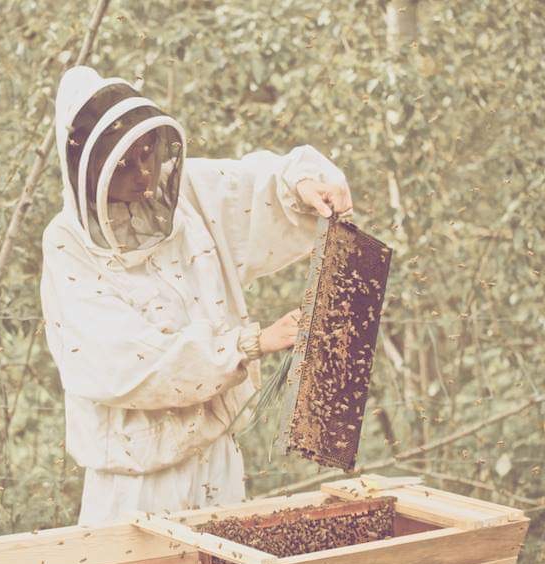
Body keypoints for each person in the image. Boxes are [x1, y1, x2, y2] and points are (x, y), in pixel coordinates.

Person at [40, 66, 353, 526]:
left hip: (218, 462)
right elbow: (124, 366)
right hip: (134, 484)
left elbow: (259, 182)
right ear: (87, 167)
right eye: (125, 163)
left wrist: (303, 184)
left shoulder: (187, 193)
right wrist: (248, 344)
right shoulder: (67, 244)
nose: (144, 173)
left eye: (146, 154)